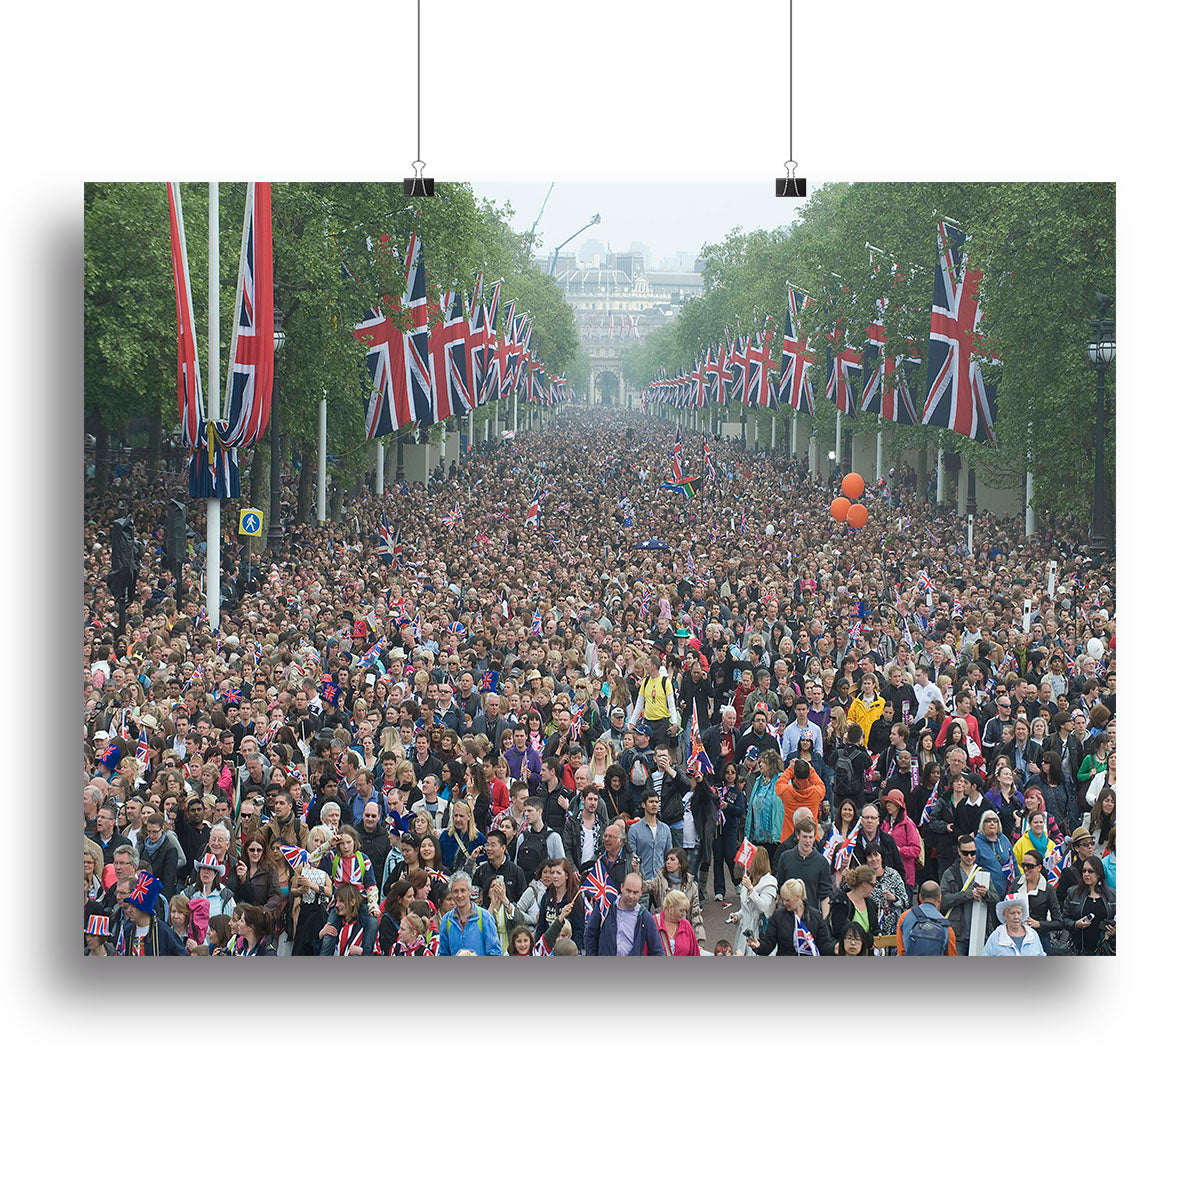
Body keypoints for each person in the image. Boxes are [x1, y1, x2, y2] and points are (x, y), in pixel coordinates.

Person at [939, 834, 1000, 954]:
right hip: (957, 933)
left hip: (980, 931)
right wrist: (967, 895)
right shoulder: (949, 873)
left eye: (973, 853)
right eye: (965, 853)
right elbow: (943, 901)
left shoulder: (982, 873)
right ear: (959, 852)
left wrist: (986, 894)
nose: (969, 857)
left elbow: (996, 900)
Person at [582, 871, 664, 956]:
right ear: (621, 887)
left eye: (635, 893)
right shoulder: (605, 906)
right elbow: (590, 934)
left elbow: (657, 950)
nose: (631, 896)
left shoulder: (645, 917)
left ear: (641, 893)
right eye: (628, 891)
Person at [747, 878, 834, 956]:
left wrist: (835, 949)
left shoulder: (815, 916)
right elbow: (768, 943)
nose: (784, 903)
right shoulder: (778, 916)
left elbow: (824, 945)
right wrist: (758, 946)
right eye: (783, 899)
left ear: (798, 896)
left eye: (788, 900)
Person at [774, 815, 833, 920]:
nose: (808, 841)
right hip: (787, 916)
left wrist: (824, 921)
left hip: (811, 918)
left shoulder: (822, 862)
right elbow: (778, 889)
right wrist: (771, 915)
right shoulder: (785, 857)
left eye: (811, 837)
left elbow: (825, 896)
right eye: (805, 837)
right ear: (798, 836)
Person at [115, 872, 187, 956]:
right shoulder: (127, 930)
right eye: (129, 905)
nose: (129, 910)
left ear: (144, 909)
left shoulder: (164, 932)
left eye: (134, 906)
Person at [644, 846, 705, 943]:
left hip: (683, 931)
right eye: (667, 859)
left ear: (680, 863)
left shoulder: (691, 886)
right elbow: (644, 886)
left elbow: (696, 914)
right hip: (663, 931)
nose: (668, 862)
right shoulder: (660, 880)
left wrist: (700, 940)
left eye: (672, 859)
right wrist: (636, 870)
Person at [437, 872, 503, 955]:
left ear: (470, 892)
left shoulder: (485, 917)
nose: (459, 895)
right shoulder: (446, 920)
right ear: (451, 893)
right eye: (456, 891)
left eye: (463, 890)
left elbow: (495, 952)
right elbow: (443, 953)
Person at [1061, 855, 1115, 956]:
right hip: (1079, 949)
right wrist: (1075, 924)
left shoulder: (1112, 895)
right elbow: (1064, 919)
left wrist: (1114, 930)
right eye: (1084, 871)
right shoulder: (1073, 892)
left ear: (1099, 873)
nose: (1086, 874)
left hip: (1104, 950)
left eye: (1090, 871)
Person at [728, 845, 777, 956]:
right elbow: (746, 909)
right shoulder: (749, 880)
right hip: (744, 933)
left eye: (750, 859)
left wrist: (751, 889)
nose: (747, 862)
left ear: (757, 862)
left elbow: (764, 907)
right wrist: (737, 916)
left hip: (759, 933)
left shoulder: (770, 883)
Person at [1016, 849, 1066, 953]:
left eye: (1030, 866)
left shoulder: (1048, 889)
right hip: (1017, 936)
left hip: (1040, 939)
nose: (1025, 869)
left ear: (1039, 867)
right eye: (1023, 865)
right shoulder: (1016, 883)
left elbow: (1059, 923)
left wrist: (1038, 924)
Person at [744, 749, 784, 867]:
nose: (760, 764)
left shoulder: (782, 781)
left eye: (764, 762)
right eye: (760, 762)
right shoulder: (758, 781)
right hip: (757, 836)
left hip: (774, 837)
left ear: (772, 765)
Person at [897, 882, 957, 955]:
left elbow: (901, 951)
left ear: (920, 897)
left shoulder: (904, 917)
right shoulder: (946, 927)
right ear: (940, 898)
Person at [627, 791, 673, 884]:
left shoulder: (665, 829)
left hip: (661, 881)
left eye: (656, 802)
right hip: (642, 881)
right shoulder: (635, 829)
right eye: (651, 802)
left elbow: (668, 856)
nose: (654, 805)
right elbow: (632, 857)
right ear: (643, 805)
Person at [829, 864, 882, 944]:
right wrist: (868, 938)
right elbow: (840, 931)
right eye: (873, 885)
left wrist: (878, 933)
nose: (874, 888)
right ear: (864, 884)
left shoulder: (871, 904)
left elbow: (875, 927)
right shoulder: (840, 902)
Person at [982, 894, 1046, 956]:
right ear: (1004, 915)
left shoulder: (1032, 934)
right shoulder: (996, 937)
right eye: (1012, 913)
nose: (1016, 917)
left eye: (1019, 913)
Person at [652, 889, 702, 956]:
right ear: (670, 908)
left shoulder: (686, 925)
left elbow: (695, 953)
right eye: (681, 910)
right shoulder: (652, 923)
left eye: (685, 911)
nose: (684, 914)